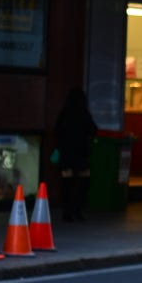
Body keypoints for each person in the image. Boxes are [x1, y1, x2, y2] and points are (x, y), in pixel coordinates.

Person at [54, 87, 97, 221]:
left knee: (67, 184)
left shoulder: (64, 114)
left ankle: (67, 212)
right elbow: (93, 130)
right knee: (82, 183)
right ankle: (77, 210)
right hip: (81, 155)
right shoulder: (84, 114)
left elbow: (57, 131)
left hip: (67, 155)